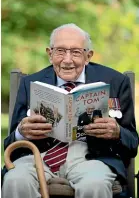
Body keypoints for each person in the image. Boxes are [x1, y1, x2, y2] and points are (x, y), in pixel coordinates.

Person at [2, 23, 139, 198]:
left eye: (76, 52)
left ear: (88, 56)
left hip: (91, 158)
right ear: (49, 54)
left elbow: (132, 143)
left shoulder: (116, 81)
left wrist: (117, 132)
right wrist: (21, 132)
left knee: (94, 184)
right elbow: (10, 143)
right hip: (37, 156)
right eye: (60, 51)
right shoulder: (30, 83)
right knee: (15, 180)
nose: (67, 60)